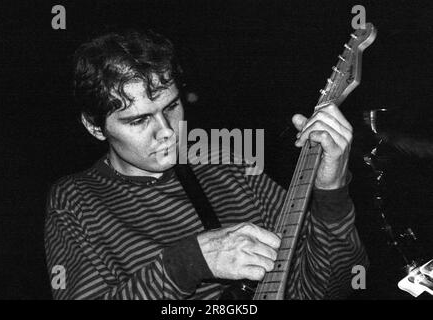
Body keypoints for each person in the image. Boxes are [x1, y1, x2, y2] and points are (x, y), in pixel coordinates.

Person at [44, 29, 367, 299]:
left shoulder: (231, 165)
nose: (167, 131)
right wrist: (188, 262)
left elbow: (331, 286)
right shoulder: (76, 199)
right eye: (139, 119)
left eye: (171, 107)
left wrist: (331, 192)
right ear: (95, 126)